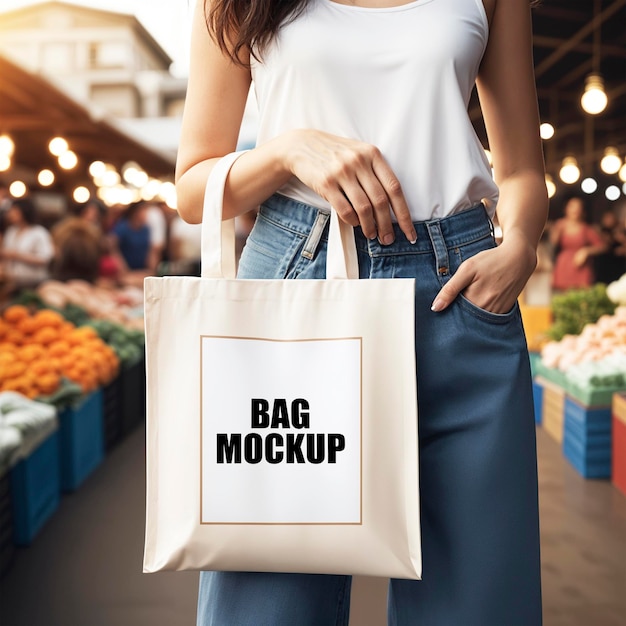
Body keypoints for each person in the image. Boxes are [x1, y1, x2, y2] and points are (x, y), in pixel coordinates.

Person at [176, 1, 547, 624]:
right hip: (297, 285)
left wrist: (521, 247)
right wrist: (288, 151)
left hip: (458, 291)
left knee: (482, 599)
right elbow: (193, 188)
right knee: (267, 602)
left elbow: (522, 171)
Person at [550, 196, 607, 291]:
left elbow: (603, 246)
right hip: (564, 264)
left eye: (578, 207)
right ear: (566, 209)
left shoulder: (586, 228)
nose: (575, 210)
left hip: (580, 266)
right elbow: (553, 243)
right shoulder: (560, 225)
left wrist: (586, 251)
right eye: (572, 206)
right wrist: (557, 229)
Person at [0, 197, 54, 291]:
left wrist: (17, 255)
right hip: (11, 281)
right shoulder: (11, 231)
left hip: (33, 283)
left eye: (15, 211)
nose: (11, 214)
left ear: (24, 211)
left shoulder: (39, 232)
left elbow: (45, 259)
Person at [594, 209, 626, 285]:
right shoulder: (600, 231)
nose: (609, 220)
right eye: (607, 218)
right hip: (604, 265)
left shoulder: (620, 231)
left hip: (618, 265)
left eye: (611, 218)